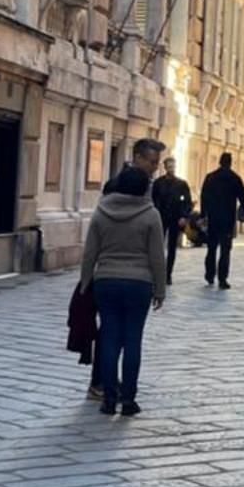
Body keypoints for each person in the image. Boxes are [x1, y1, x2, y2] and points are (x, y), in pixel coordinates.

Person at [78, 163, 165, 414]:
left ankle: (107, 399)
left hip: (106, 281)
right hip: (139, 283)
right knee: (132, 340)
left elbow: (89, 252)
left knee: (109, 340)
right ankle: (128, 400)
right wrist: (160, 289)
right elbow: (157, 256)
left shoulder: (101, 212)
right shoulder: (151, 215)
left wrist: (85, 283)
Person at [199, 150, 244, 289]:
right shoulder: (235, 178)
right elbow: (243, 198)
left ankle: (209, 275)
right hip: (228, 219)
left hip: (213, 218)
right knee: (225, 250)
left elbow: (204, 197)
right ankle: (222, 278)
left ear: (220, 162)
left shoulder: (210, 177)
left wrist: (203, 214)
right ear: (230, 163)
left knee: (211, 248)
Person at [151, 157, 193, 280]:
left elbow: (187, 202)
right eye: (169, 166)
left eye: (173, 166)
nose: (171, 169)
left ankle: (168, 274)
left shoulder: (181, 184)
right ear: (165, 167)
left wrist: (184, 216)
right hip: (161, 217)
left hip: (176, 218)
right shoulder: (158, 183)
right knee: (158, 245)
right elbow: (153, 199)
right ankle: (158, 272)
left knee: (172, 247)